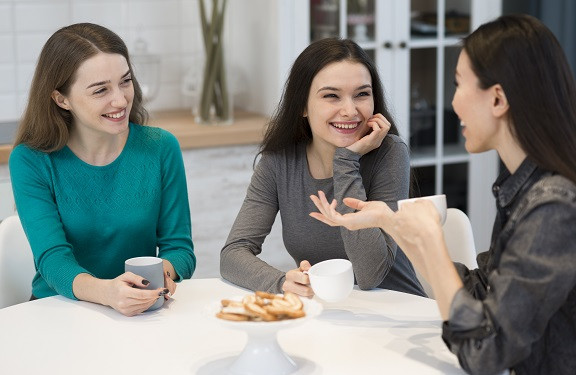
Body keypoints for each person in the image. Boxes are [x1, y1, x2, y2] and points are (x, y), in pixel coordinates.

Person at [310, 14, 576, 374]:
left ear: (498, 99)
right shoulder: (525, 189)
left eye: (459, 85)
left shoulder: (553, 206)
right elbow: (482, 290)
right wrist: (390, 222)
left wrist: (430, 239)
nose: (453, 102)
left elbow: (484, 351)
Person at [9, 23, 196, 316]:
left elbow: (179, 249)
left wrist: (161, 278)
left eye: (125, 81)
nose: (120, 100)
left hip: (140, 310)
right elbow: (53, 259)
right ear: (61, 99)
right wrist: (108, 292)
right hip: (57, 311)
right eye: (100, 90)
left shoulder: (160, 148)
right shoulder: (31, 160)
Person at [220, 38, 425, 297]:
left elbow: (370, 275)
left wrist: (347, 161)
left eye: (362, 94)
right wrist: (282, 282)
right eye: (331, 96)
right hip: (327, 316)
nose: (350, 111)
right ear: (303, 105)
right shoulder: (278, 163)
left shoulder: (389, 153)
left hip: (395, 315)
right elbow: (233, 254)